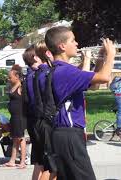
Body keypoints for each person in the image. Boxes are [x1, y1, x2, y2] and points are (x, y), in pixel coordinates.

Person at [43, 26, 115, 180]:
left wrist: (100, 60)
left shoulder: (62, 70)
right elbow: (104, 78)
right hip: (69, 135)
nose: (77, 44)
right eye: (73, 40)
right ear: (62, 46)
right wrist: (111, 55)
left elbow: (94, 85)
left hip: (64, 135)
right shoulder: (65, 72)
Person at [23, 42, 55, 180]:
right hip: (43, 121)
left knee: (39, 164)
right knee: (52, 166)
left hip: (33, 121)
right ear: (36, 57)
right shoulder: (39, 75)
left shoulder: (30, 75)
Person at [2, 64, 27, 168]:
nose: (9, 79)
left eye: (10, 77)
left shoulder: (21, 86)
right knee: (15, 138)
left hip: (20, 116)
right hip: (14, 116)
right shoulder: (12, 86)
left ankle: (22, 161)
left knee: (21, 138)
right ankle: (12, 160)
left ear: (17, 77)